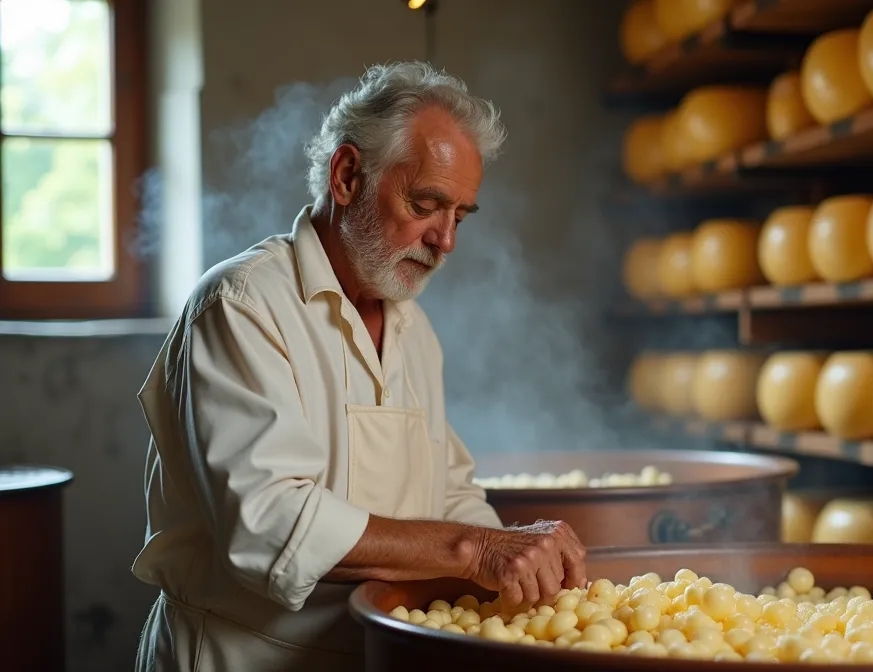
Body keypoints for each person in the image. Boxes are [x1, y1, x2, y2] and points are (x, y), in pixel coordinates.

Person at [132, 62, 587, 672]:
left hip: (372, 652)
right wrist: (476, 550)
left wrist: (520, 570)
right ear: (346, 175)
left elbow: (449, 494)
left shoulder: (412, 329)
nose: (445, 239)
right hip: (241, 656)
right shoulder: (242, 306)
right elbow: (270, 522)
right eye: (427, 204)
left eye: (461, 216)